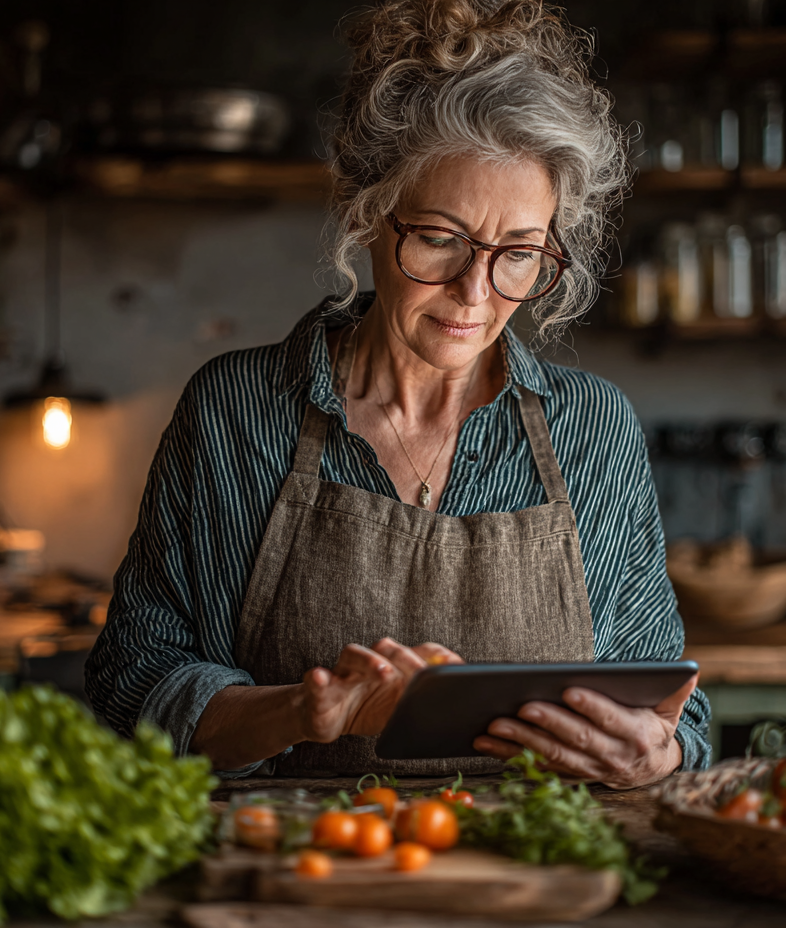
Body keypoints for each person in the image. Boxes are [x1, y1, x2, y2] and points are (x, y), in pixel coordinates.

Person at [86, 0, 711, 787]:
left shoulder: (592, 427)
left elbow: (676, 709)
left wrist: (662, 752)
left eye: (518, 254)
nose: (474, 294)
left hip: (533, 880)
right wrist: (304, 714)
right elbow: (131, 686)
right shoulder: (238, 411)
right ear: (371, 212)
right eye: (441, 239)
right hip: (293, 875)